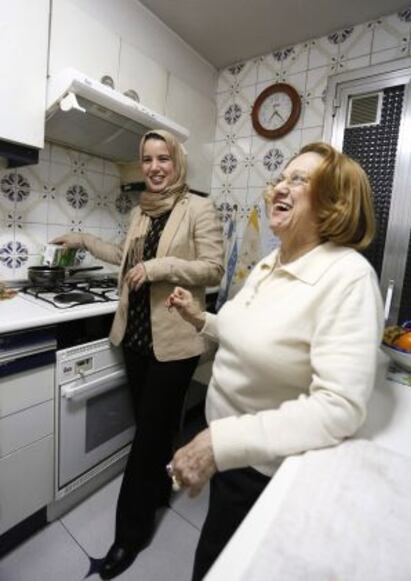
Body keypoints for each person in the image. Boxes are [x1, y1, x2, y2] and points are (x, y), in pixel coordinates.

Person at [166, 142, 384, 581]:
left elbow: (339, 406)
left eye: (298, 179)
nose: (279, 187)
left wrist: (217, 443)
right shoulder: (273, 261)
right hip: (233, 455)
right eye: (280, 178)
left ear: (335, 202)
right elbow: (248, 334)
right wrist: (202, 319)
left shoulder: (349, 277)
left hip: (264, 469)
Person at [51, 129, 224, 580]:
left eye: (162, 158)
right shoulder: (140, 213)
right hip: (137, 340)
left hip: (176, 344)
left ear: (177, 161)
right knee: (160, 426)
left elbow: (214, 270)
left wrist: (160, 267)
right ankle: (160, 488)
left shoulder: (198, 208)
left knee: (145, 439)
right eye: (146, 159)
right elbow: (126, 259)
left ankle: (129, 535)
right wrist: (85, 240)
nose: (154, 167)